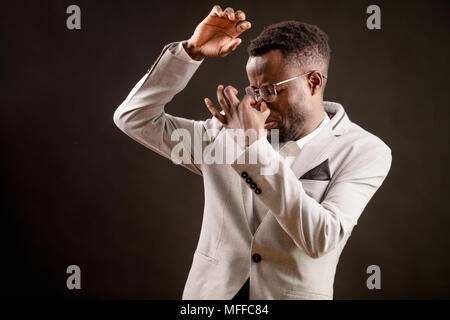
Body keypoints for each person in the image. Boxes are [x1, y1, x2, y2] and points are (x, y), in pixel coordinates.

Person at [113, 5, 392, 300]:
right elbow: (134, 118)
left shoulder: (365, 150)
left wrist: (253, 148)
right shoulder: (223, 137)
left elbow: (322, 238)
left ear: (313, 82)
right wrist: (191, 51)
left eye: (271, 89)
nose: (259, 103)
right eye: (255, 90)